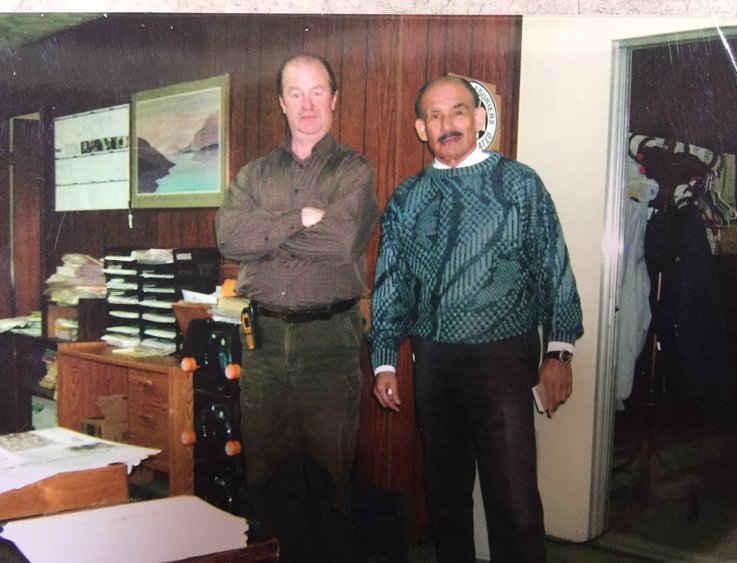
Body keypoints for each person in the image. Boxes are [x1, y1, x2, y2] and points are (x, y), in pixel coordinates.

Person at [367, 75, 584, 562]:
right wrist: (383, 360)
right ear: (421, 128)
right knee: (444, 497)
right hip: (434, 362)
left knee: (514, 501)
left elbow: (554, 268)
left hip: (504, 359)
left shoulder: (519, 183)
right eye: (436, 116)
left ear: (480, 118)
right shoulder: (407, 197)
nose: (448, 125)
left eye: (458, 112)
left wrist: (560, 351)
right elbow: (391, 282)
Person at [215, 53, 380, 563]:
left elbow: (341, 241)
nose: (307, 104)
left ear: (334, 100)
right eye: (295, 92)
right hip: (261, 338)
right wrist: (301, 216)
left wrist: (269, 231)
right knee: (266, 476)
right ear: (280, 103)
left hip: (327, 339)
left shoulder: (353, 170)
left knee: (329, 479)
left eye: (317, 92)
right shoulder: (253, 174)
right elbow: (228, 236)